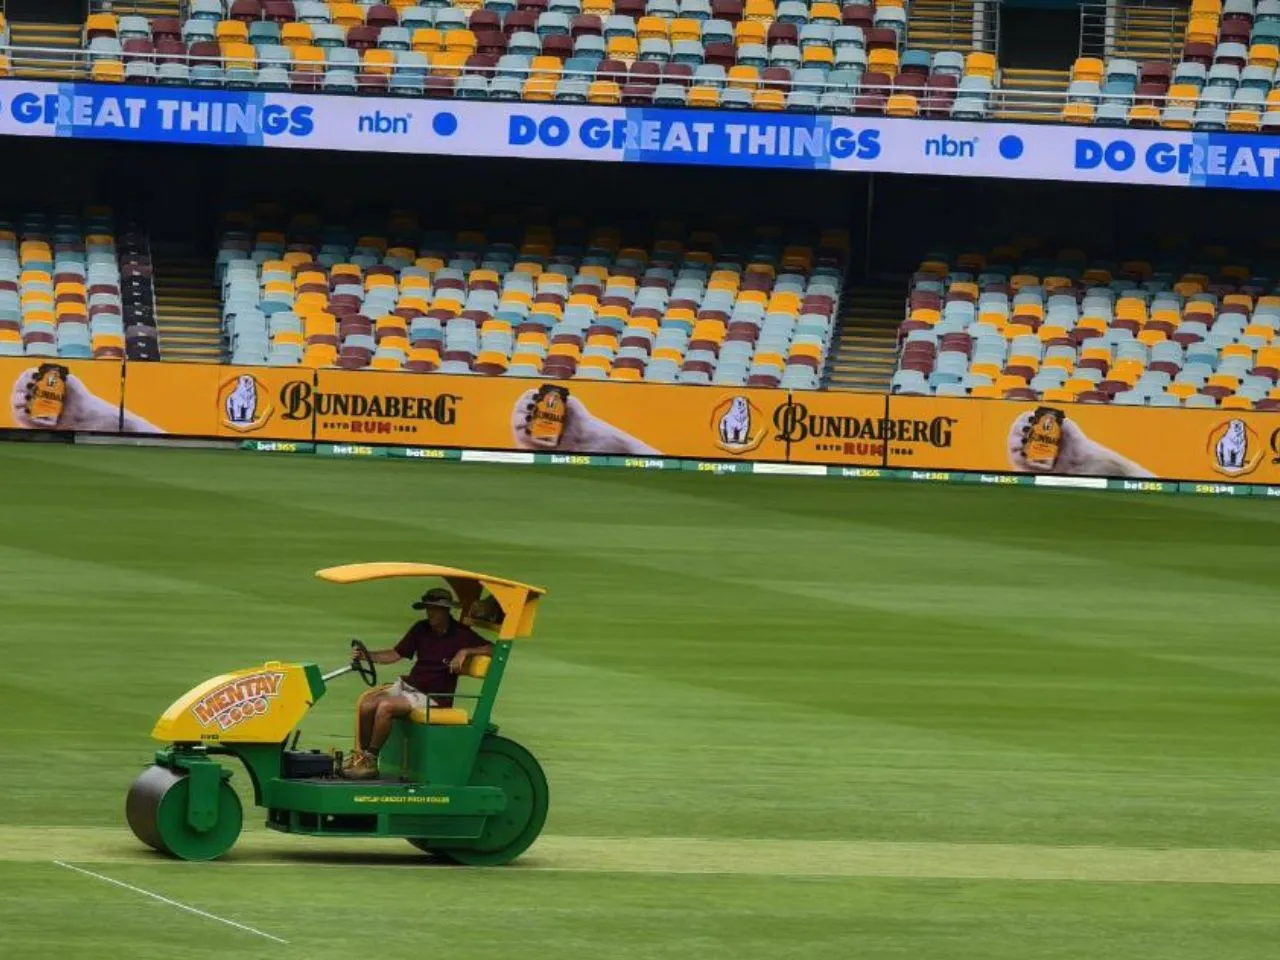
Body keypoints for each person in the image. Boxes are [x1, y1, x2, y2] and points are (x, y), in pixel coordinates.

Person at [342, 588, 493, 780]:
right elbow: (395, 654)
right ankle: (361, 758)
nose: (429, 613)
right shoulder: (421, 628)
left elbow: (493, 649)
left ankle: (371, 758)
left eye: (434, 609)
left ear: (446, 610)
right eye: (427, 608)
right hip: (410, 687)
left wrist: (465, 652)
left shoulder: (461, 635)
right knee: (367, 704)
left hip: (434, 696)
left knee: (385, 707)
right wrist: (367, 656)